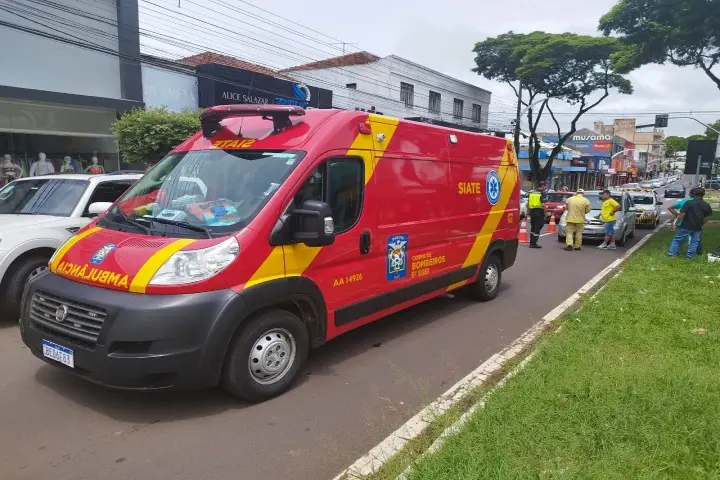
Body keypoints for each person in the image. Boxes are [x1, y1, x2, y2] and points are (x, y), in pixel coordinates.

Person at [668, 188, 712, 258]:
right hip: (698, 226)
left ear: (694, 194)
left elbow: (682, 214)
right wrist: (702, 222)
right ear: (703, 194)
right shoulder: (706, 204)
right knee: (694, 242)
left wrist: (676, 223)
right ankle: (690, 256)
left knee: (677, 240)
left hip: (686, 225)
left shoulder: (688, 203)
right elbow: (708, 216)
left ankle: (671, 254)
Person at [527, 182, 547, 249]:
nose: (545, 187)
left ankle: (531, 242)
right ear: (542, 186)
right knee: (538, 227)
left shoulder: (532, 193)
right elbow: (543, 204)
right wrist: (546, 213)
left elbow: (528, 203)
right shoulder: (542, 193)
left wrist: (528, 212)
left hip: (532, 212)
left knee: (533, 227)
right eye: (545, 186)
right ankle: (534, 243)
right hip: (539, 212)